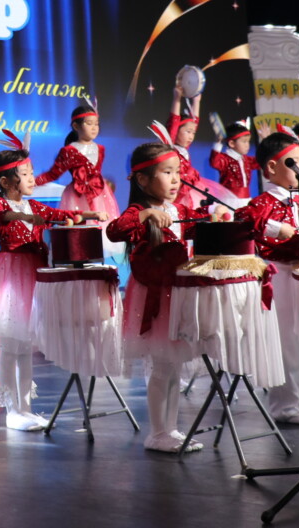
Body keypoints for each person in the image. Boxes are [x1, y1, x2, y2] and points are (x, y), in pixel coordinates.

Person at [0, 131, 97, 431]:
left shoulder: (35, 206)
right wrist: (25, 219)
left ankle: (25, 408)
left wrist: (85, 215)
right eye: (26, 173)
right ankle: (11, 410)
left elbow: (58, 214)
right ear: (6, 182)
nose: (32, 178)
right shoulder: (0, 204)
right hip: (10, 278)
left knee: (25, 346)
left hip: (33, 275)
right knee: (11, 346)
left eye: (31, 172)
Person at [106, 141, 225, 451]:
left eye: (177, 173)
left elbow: (194, 227)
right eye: (167, 172)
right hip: (155, 295)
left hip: (178, 293)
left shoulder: (178, 209)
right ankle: (158, 433)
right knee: (161, 365)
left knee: (172, 366)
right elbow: (115, 230)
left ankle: (170, 430)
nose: (175, 180)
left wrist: (214, 216)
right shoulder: (138, 211)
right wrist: (145, 214)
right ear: (143, 179)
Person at [236, 132, 299, 425]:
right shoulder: (264, 202)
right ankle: (285, 405)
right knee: (285, 342)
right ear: (271, 167)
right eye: (294, 163)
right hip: (278, 274)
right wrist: (275, 228)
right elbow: (244, 219)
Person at [34, 102, 117, 257]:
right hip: (77, 195)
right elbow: (53, 174)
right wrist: (33, 182)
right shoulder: (68, 151)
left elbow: (95, 171)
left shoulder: (100, 149)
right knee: (79, 235)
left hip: (99, 194)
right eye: (89, 124)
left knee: (101, 233)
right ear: (76, 126)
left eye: (96, 124)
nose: (94, 128)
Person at [209, 118, 258, 207]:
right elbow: (214, 162)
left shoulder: (246, 160)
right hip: (229, 201)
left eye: (248, 141)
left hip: (246, 201)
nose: (247, 145)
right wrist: (218, 143)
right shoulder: (225, 159)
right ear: (232, 143)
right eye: (244, 141)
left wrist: (265, 140)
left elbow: (262, 162)